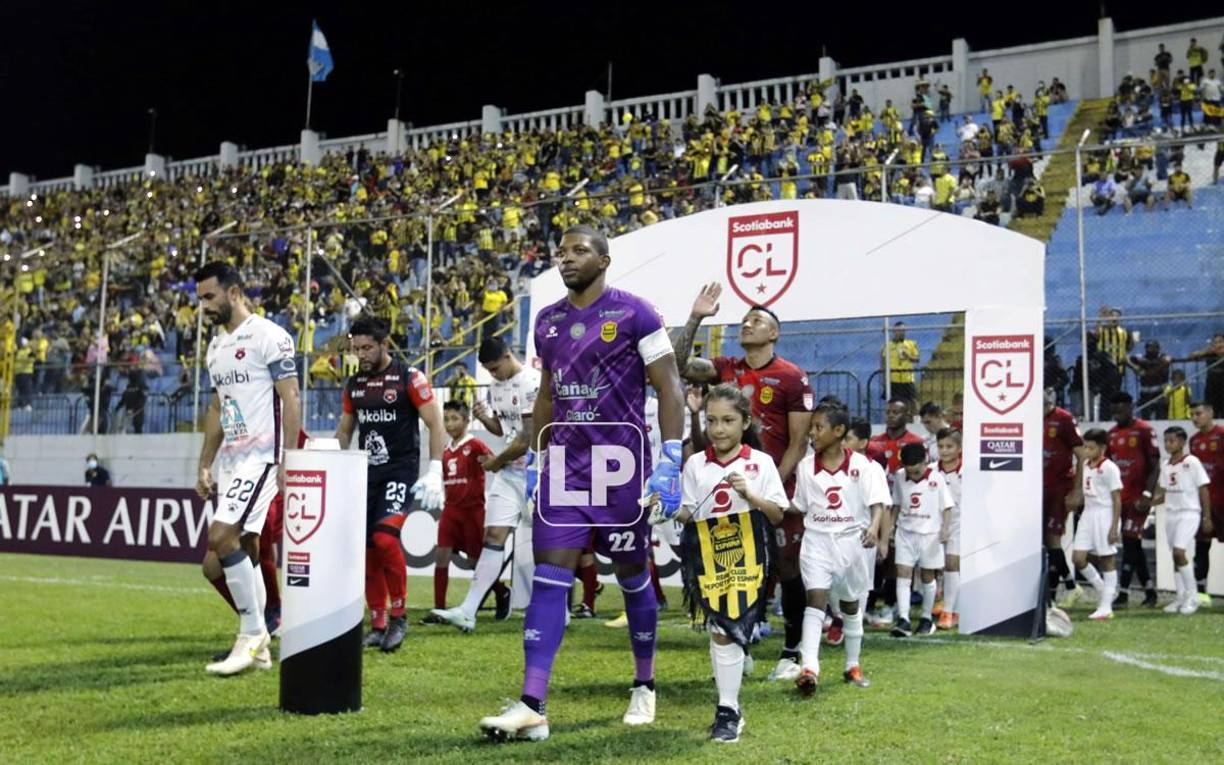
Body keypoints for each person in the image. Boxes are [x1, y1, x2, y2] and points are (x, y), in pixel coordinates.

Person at [478, 224, 685, 742]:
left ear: (605, 260)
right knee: (551, 574)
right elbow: (547, 393)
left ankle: (644, 683)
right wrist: (539, 457)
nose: (566, 259)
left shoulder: (637, 312)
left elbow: (671, 385)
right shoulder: (546, 322)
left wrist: (672, 456)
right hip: (566, 468)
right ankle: (532, 704)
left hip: (621, 465)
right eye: (561, 251)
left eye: (578, 251)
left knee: (632, 574)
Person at [673, 282, 813, 684]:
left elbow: (798, 441)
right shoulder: (725, 366)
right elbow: (678, 364)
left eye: (758, 320)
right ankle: (741, 642)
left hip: (769, 483)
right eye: (745, 319)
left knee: (786, 567)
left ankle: (792, 651)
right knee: (738, 567)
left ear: (774, 333)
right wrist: (697, 316)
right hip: (727, 482)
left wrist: (774, 487)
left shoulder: (792, 377)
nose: (747, 323)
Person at [659, 384, 787, 741]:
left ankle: (728, 710)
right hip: (707, 556)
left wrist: (750, 494)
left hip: (749, 553)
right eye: (712, 420)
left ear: (745, 422)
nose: (719, 429)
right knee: (721, 629)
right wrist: (664, 510)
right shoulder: (696, 464)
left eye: (728, 420)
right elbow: (688, 512)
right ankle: (730, 700)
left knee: (724, 629)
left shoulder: (760, 463)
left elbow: (777, 515)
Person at [193, 262, 302, 676]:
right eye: (200, 298)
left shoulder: (270, 336)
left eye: (210, 297)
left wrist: (289, 459)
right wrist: (206, 463)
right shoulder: (215, 347)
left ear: (234, 292)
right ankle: (259, 648)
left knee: (221, 537)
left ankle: (252, 634)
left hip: (263, 457)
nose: (204, 306)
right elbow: (219, 406)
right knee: (246, 549)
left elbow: (290, 398)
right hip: (235, 459)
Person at [336, 317, 446, 653]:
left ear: (385, 345)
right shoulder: (353, 384)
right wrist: (336, 459)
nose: (361, 354)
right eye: (356, 349)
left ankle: (399, 616)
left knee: (385, 539)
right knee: (367, 548)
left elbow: (435, 422)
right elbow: (345, 430)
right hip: (365, 474)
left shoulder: (409, 377)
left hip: (400, 470)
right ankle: (378, 621)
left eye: (367, 347)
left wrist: (436, 469)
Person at [432, 336, 537, 631]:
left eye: (494, 368)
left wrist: (497, 461)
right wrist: (486, 418)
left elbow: (527, 437)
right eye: (488, 371)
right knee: (492, 536)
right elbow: (505, 430)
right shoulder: (496, 387)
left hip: (536, 472)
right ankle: (467, 611)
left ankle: (557, 610)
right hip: (509, 474)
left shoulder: (532, 382)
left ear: (507, 357)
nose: (492, 374)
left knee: (544, 547)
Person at [792, 403, 890, 695]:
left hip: (852, 541)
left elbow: (878, 503)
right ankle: (809, 667)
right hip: (817, 540)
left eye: (818, 427)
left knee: (849, 605)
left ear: (838, 431)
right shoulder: (805, 467)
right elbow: (800, 505)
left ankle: (852, 664)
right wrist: (765, 502)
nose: (812, 433)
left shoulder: (864, 466)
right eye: (811, 426)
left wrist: (874, 527)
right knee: (815, 599)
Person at [429, 400, 495, 617]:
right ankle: (438, 609)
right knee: (441, 555)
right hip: (450, 510)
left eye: (455, 418)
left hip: (472, 511)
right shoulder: (446, 450)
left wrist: (490, 462)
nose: (449, 424)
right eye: (446, 419)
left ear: (467, 420)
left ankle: (502, 592)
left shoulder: (475, 444)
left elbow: (493, 461)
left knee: (474, 562)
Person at [864, 397, 924, 627]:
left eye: (896, 412)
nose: (890, 416)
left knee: (893, 559)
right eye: (888, 412)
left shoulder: (915, 442)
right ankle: (869, 603)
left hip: (902, 509)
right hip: (875, 507)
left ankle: (891, 604)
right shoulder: (876, 443)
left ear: (906, 414)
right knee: (874, 558)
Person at [890, 443, 953, 637]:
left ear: (925, 462)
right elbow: (896, 505)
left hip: (930, 534)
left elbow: (947, 507)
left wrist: (944, 530)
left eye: (917, 472)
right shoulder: (900, 477)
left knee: (927, 576)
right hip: (905, 532)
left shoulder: (937, 479)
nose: (914, 476)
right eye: (910, 472)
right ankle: (904, 619)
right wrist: (891, 529)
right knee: (903, 573)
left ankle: (926, 618)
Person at [1107, 392, 1161, 609]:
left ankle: (1123, 593)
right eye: (1114, 411)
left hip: (1138, 499)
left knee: (1129, 543)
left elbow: (1155, 465)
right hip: (1120, 499)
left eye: (1121, 410)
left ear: (1131, 407)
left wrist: (1148, 495)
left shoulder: (1144, 430)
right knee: (1134, 544)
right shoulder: (1111, 434)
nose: (1117, 414)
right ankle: (1149, 590)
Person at [1153, 426, 1213, 615]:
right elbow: (1163, 492)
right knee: (1174, 556)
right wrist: (1149, 503)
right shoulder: (1166, 464)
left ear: (1182, 442)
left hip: (1189, 512)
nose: (1168, 444)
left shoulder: (1192, 462)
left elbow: (1203, 489)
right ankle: (1180, 597)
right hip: (1171, 513)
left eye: (1172, 440)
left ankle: (1193, 596)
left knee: (1180, 552)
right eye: (1166, 440)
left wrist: (1207, 516)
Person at [1072, 429, 1123, 621]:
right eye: (1085, 447)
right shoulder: (1085, 465)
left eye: (1091, 448)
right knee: (1078, 558)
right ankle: (1104, 590)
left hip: (1104, 513)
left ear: (1102, 448)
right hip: (1088, 513)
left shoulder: (1109, 468)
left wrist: (1113, 526)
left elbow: (1117, 499)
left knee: (1107, 559)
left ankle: (1106, 606)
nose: (1086, 451)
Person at [1044, 388, 1087, 607]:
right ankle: (1070, 586)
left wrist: (1077, 490)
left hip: (1060, 488)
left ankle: (1053, 595)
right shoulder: (1028, 416)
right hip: (1037, 489)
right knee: (1045, 541)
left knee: (1052, 539)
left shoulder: (1063, 419)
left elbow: (1082, 456)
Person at [1190, 402, 1224, 603]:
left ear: (1211, 413)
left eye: (1199, 413)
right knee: (1202, 545)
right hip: (1204, 503)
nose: (1195, 418)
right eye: (1192, 414)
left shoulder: (1221, 435)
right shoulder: (1194, 441)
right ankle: (1201, 591)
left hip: (1223, 501)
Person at [935, 428, 963, 630]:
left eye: (949, 446)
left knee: (953, 564)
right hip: (933, 524)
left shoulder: (967, 471)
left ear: (959, 448)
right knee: (936, 568)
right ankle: (951, 605)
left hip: (959, 524)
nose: (944, 451)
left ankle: (949, 612)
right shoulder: (931, 471)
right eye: (941, 446)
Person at [882, 323, 919, 413]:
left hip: (907, 378)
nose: (902, 333)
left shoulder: (911, 344)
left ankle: (916, 420)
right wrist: (884, 377)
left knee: (913, 400)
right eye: (899, 330)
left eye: (903, 330)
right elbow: (883, 361)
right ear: (894, 331)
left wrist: (908, 356)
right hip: (893, 379)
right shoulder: (888, 345)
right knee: (891, 401)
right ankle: (891, 417)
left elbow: (917, 359)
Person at [1128, 340, 1171, 418]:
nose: (1151, 350)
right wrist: (1136, 368)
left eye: (1153, 348)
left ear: (1158, 349)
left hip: (1160, 391)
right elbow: (1129, 359)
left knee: (1161, 415)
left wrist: (1150, 371)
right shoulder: (1141, 358)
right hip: (1145, 391)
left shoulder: (1162, 357)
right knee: (1145, 415)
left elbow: (1167, 359)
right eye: (1149, 348)